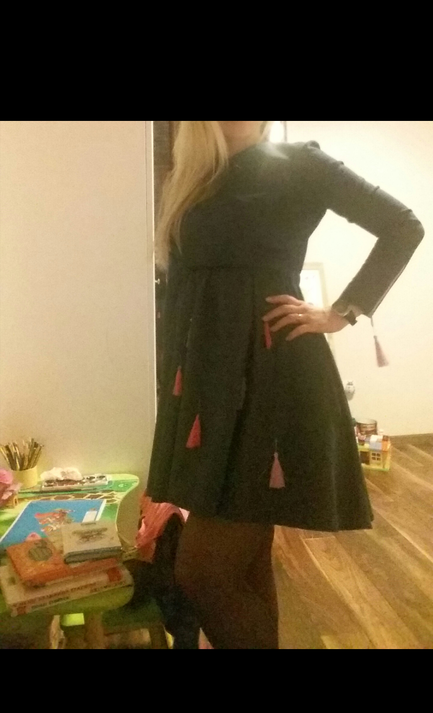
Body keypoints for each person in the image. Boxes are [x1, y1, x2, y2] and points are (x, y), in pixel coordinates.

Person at [145, 121, 424, 649]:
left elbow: (402, 225)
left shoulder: (300, 165)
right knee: (246, 564)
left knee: (202, 572)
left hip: (273, 382)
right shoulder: (194, 176)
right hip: (209, 389)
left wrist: (342, 311)